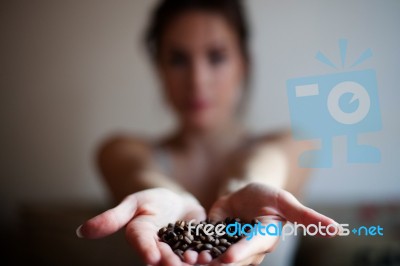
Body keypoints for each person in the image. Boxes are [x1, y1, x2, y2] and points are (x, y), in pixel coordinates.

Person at [76, 0, 340, 265]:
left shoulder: (295, 144)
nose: (197, 79)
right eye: (178, 59)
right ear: (160, 70)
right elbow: (139, 172)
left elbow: (266, 160)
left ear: (243, 64)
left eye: (216, 56)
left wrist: (244, 186)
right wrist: (169, 196)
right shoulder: (120, 150)